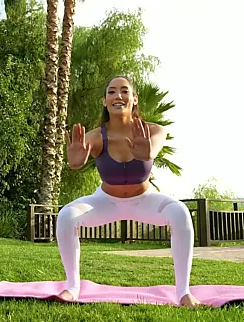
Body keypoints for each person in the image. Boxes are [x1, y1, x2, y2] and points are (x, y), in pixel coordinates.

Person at [56, 76, 200, 307]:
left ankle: (183, 292)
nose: (118, 96)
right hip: (105, 201)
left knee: (180, 213)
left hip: (144, 200)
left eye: (124, 91)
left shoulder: (155, 130)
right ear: (104, 101)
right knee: (66, 216)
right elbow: (75, 162)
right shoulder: (94, 137)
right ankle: (72, 287)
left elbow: (152, 149)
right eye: (112, 92)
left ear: (134, 99)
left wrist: (148, 150)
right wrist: (73, 160)